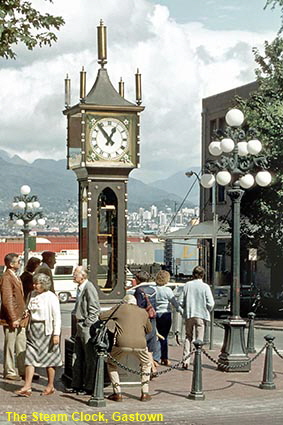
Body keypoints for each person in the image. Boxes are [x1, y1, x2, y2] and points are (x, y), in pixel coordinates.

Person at [14, 273, 62, 396]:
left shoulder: (51, 297)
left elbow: (57, 317)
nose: (35, 285)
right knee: (30, 357)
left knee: (49, 359)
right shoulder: (32, 294)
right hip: (33, 330)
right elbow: (29, 309)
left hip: (46, 330)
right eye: (34, 283)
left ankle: (50, 386)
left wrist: (56, 334)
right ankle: (27, 387)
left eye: (38, 283)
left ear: (44, 284)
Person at [100, 294, 152, 402]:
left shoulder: (121, 308)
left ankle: (117, 392)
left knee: (111, 363)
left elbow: (102, 316)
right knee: (146, 364)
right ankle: (145, 393)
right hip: (141, 344)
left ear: (124, 302)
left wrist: (116, 309)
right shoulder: (143, 312)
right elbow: (149, 329)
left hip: (122, 343)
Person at [67, 266, 100, 395]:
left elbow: (94, 308)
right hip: (80, 325)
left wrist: (87, 324)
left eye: (75, 274)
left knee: (88, 356)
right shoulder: (80, 288)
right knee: (78, 355)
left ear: (83, 276)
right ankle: (77, 384)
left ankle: (89, 386)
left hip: (85, 326)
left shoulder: (88, 288)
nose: (73, 276)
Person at [180, 266, 214, 369]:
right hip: (201, 314)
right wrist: (208, 309)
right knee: (199, 339)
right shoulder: (205, 287)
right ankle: (197, 360)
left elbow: (181, 301)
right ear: (203, 275)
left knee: (188, 336)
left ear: (193, 274)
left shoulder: (187, 285)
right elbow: (211, 303)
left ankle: (186, 360)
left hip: (190, 314)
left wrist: (185, 308)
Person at [0, 253, 27, 381]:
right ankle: (9, 370)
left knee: (21, 344)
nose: (20, 263)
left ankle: (23, 369)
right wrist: (13, 318)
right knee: (10, 345)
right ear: (11, 264)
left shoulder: (14, 276)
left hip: (20, 317)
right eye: (18, 261)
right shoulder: (6, 277)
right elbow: (7, 299)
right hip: (12, 318)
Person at [155, 270, 183, 366]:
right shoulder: (167, 290)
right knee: (164, 337)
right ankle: (164, 357)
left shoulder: (154, 289)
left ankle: (155, 357)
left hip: (155, 314)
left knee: (156, 336)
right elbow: (175, 303)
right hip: (165, 314)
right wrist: (182, 311)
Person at [134, 271, 158, 376]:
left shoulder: (139, 290)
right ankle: (152, 367)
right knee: (150, 343)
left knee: (144, 344)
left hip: (144, 319)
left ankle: (150, 368)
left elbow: (139, 306)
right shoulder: (153, 289)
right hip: (152, 318)